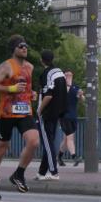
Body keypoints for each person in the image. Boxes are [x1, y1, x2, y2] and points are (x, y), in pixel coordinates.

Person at [0, 35, 40, 200]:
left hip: (24, 112)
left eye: (26, 46)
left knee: (34, 141)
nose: (25, 48)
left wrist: (32, 94)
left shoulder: (30, 67)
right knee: (2, 147)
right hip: (6, 112)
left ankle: (19, 173)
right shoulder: (6, 66)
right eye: (21, 46)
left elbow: (26, 88)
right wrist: (12, 89)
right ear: (14, 49)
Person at [35, 50, 68, 181]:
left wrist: (39, 110)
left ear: (41, 60)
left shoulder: (46, 73)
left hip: (47, 113)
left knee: (47, 143)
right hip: (58, 111)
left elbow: (48, 95)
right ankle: (42, 172)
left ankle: (54, 171)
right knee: (49, 141)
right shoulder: (60, 72)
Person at [59, 71, 84, 166]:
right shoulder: (61, 86)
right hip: (64, 116)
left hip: (73, 116)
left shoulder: (75, 86)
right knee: (70, 138)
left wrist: (81, 95)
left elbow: (82, 100)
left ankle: (59, 157)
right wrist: (68, 84)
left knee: (66, 139)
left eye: (70, 75)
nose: (68, 76)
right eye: (66, 75)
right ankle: (75, 157)